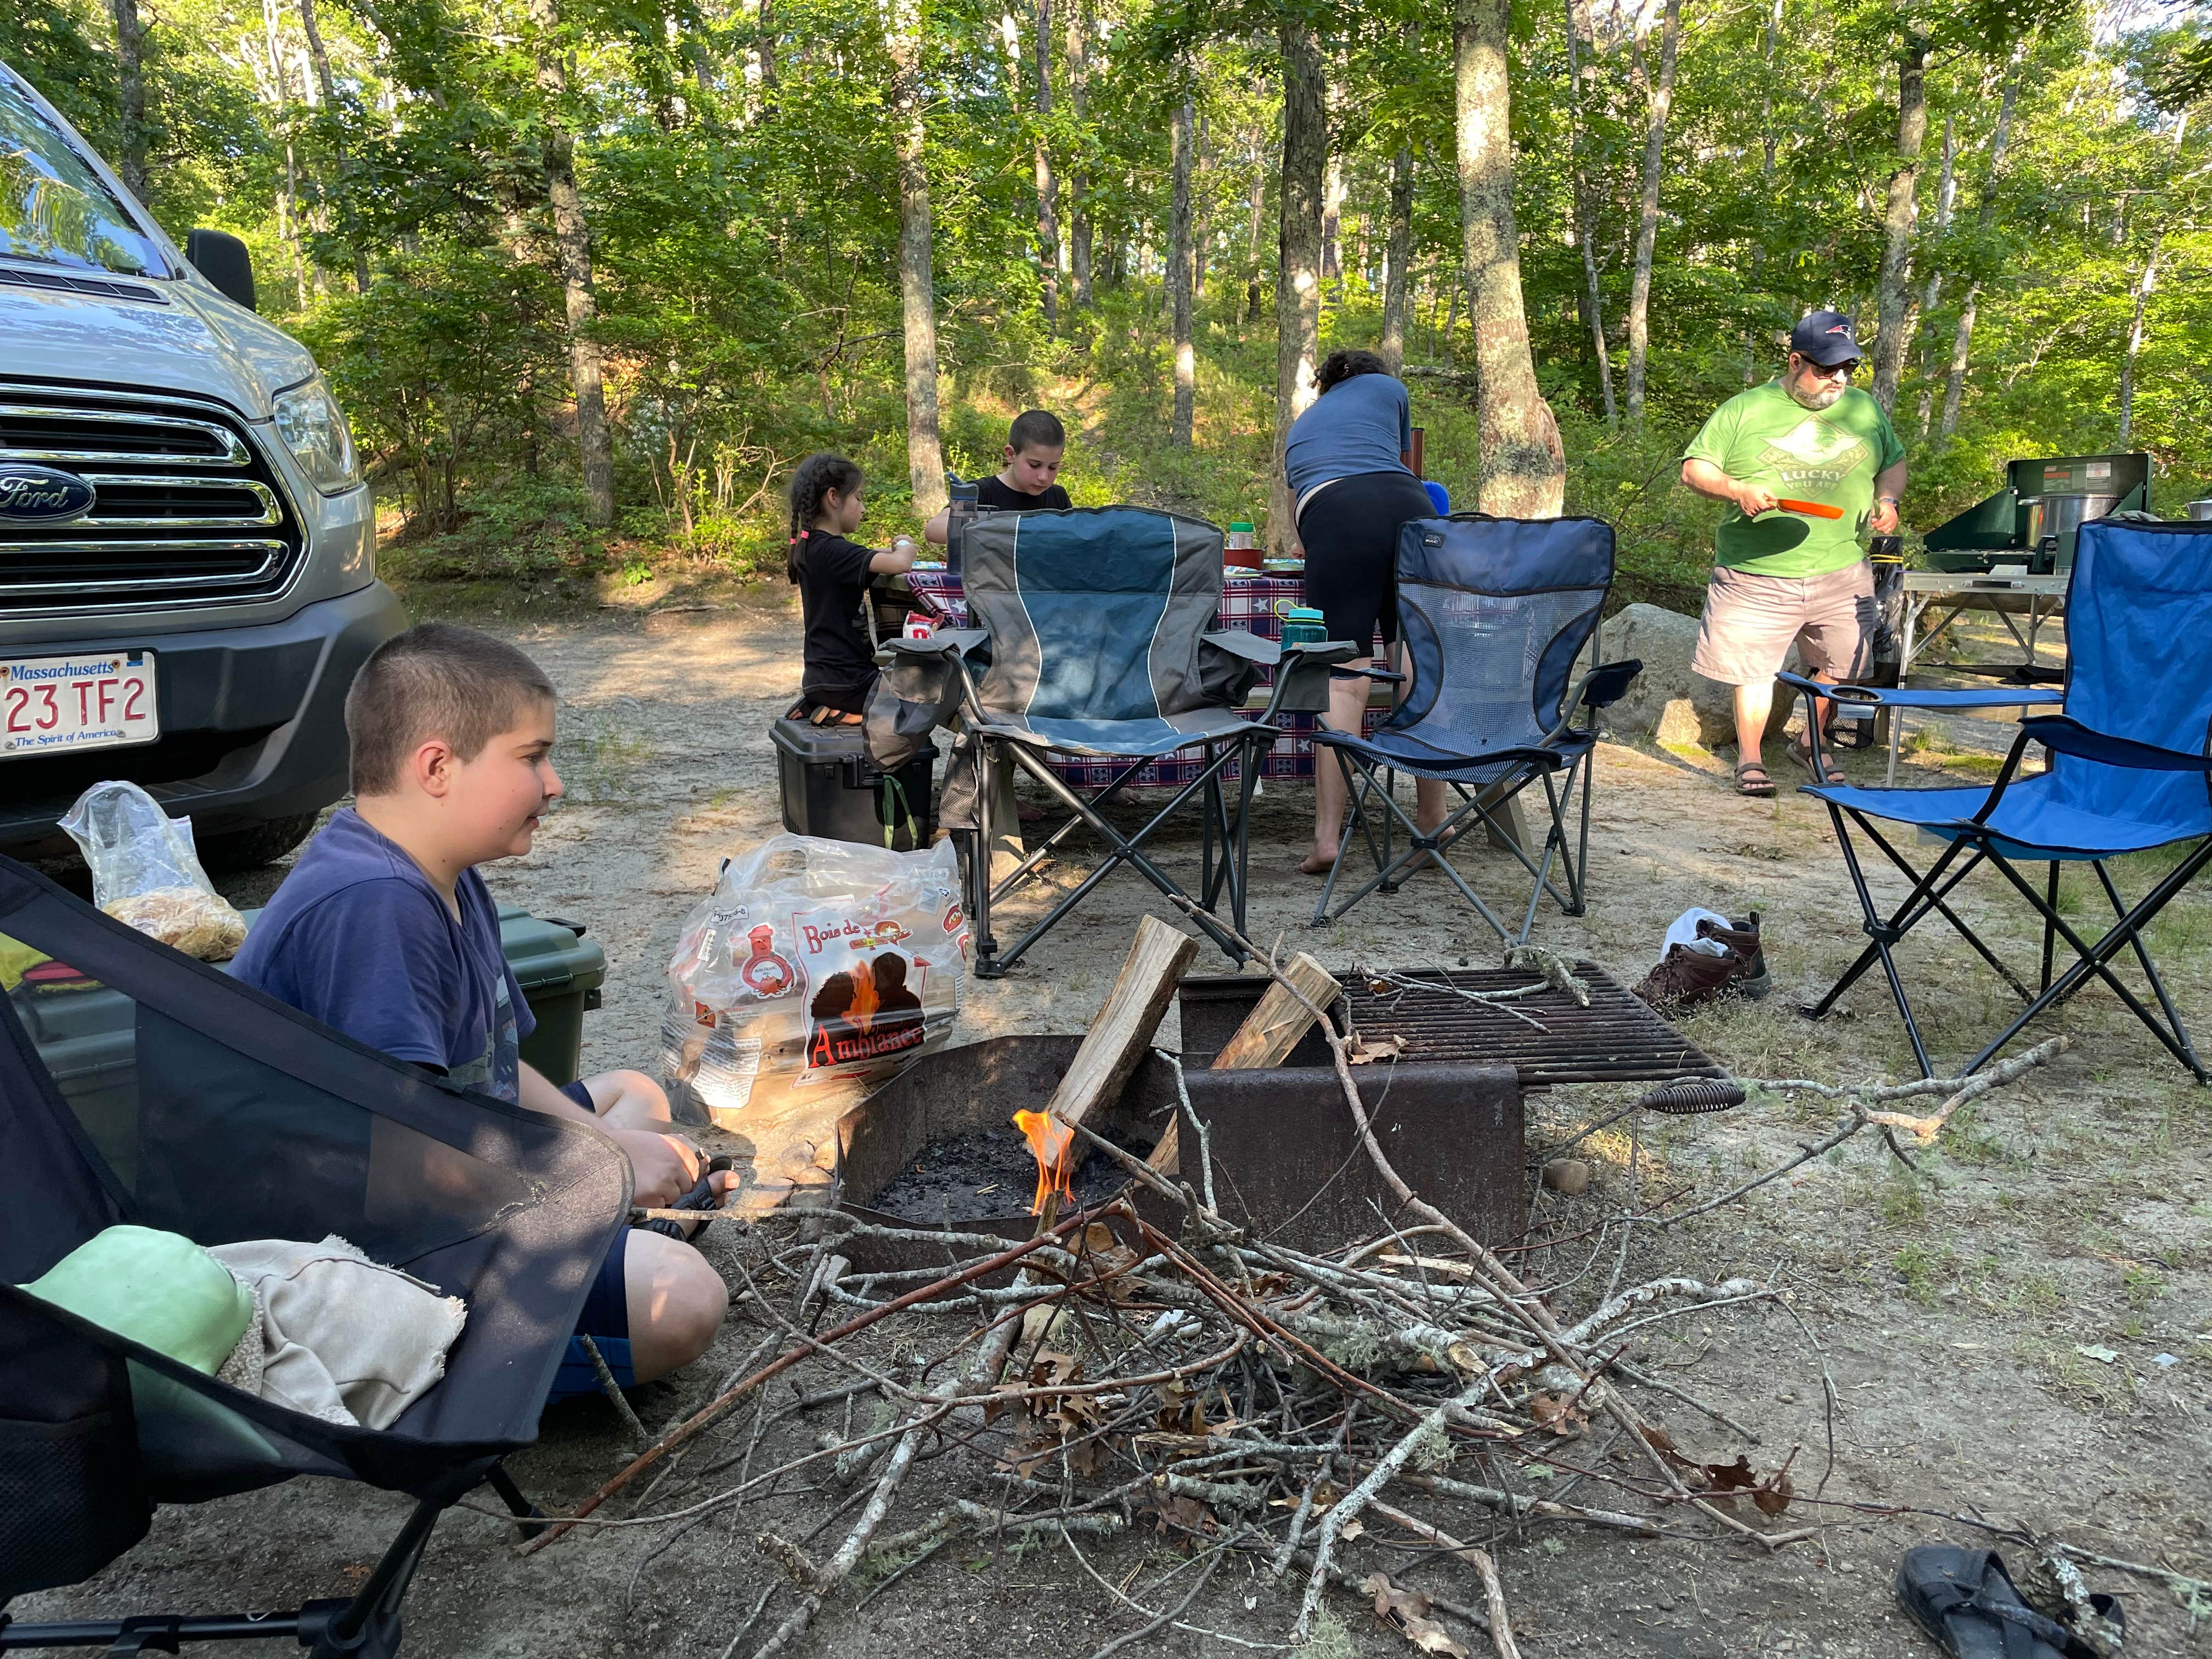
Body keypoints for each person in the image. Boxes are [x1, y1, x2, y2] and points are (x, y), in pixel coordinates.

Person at [230, 623, 730, 1397]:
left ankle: (618, 1234)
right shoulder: (375, 909)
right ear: (437, 766)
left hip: (459, 1161)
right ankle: (442, 1373)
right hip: (369, 1248)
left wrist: (609, 1144)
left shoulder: (446, 874)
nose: (555, 783)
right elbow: (411, 1175)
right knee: (685, 1300)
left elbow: (496, 1069)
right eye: (532, 758)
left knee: (639, 1094)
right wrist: (604, 1176)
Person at [1680, 311, 1905, 797]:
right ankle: (1751, 759)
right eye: (1825, 369)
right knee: (1754, 668)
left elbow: (1893, 463)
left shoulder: (1865, 411)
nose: (1838, 380)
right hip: (1756, 572)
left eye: (1846, 369)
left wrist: (1888, 500)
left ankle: (1810, 744)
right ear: (1795, 361)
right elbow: (1695, 469)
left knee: (1845, 665)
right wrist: (1735, 489)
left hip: (1842, 568)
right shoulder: (1745, 409)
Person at [1280, 348, 1444, 874]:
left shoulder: (1302, 423)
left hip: (1331, 511)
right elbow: (1403, 465)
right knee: (1411, 661)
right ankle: (1430, 821)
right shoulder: (1390, 390)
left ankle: (1327, 839)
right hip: (1407, 506)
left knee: (1343, 676)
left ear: (1327, 386)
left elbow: (1298, 520)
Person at [788, 452, 921, 725]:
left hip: (825, 676)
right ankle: (845, 713)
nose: (863, 508)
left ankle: (824, 705)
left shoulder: (816, 547)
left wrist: (894, 552)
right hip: (848, 681)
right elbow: (900, 564)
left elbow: (872, 556)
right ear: (834, 497)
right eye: (858, 498)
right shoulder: (835, 551)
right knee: (921, 697)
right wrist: (906, 545)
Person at [921, 409, 1073, 545]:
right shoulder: (980, 492)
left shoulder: (1057, 497)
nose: (1044, 477)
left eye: (1053, 467)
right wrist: (997, 533)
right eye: (1034, 465)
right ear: (1011, 454)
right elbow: (934, 529)